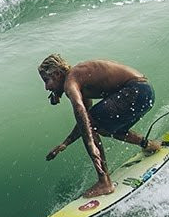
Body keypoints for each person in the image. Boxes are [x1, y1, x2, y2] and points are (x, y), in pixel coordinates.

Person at [38, 54, 160, 198]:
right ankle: (149, 145)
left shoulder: (71, 81)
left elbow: (80, 110)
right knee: (106, 129)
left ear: (58, 74)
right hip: (144, 93)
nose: (46, 87)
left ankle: (104, 182)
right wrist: (66, 143)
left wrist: (90, 143)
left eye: (47, 81)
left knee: (93, 126)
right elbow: (86, 118)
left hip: (136, 90)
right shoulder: (80, 79)